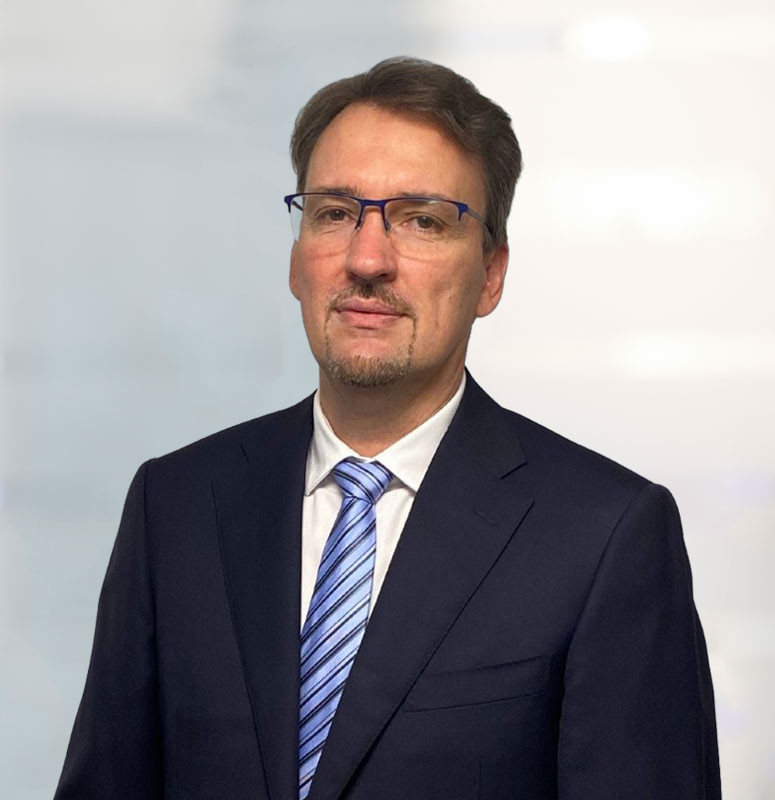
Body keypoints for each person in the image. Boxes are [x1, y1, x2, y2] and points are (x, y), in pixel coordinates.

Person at [55, 57, 721, 800]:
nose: (367, 259)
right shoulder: (174, 505)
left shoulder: (606, 535)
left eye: (422, 221)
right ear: (297, 257)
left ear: (491, 275)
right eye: (335, 213)